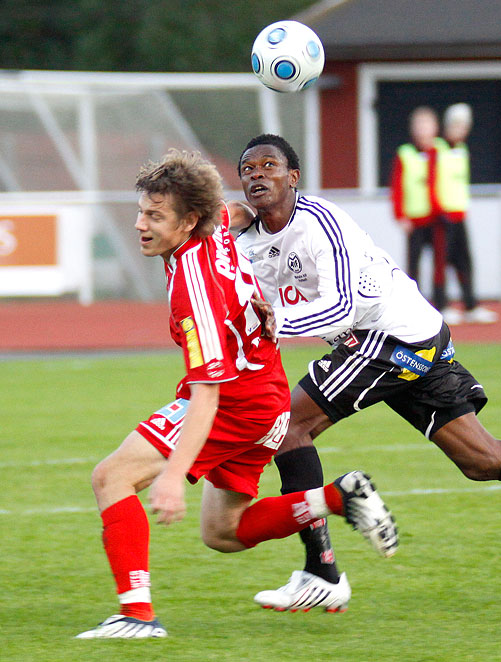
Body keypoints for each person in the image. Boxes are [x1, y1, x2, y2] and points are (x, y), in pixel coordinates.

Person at [230, 134, 501, 613]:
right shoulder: (252, 241)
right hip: (408, 341)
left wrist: (278, 324)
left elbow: (343, 307)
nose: (257, 174)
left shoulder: (318, 222)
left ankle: (322, 573)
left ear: (294, 177)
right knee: (481, 459)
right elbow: (258, 302)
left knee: (290, 426)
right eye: (248, 169)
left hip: (391, 337)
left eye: (269, 165)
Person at [76, 150, 398, 639]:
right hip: (268, 397)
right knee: (222, 533)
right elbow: (233, 209)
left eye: (154, 216)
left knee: (112, 477)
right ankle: (337, 497)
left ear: (187, 221)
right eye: (141, 211)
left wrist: (172, 476)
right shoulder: (216, 225)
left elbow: (207, 390)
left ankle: (136, 615)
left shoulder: (193, 284)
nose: (140, 224)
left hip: (235, 402)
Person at [434, 103, 498, 324]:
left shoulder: (461, 149)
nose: (462, 130)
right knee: (441, 262)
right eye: (459, 124)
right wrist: (438, 209)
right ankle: (440, 305)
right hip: (442, 215)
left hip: (460, 213)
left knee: (465, 261)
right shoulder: (437, 149)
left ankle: (470, 304)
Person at [389, 106, 443, 307]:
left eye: (427, 125)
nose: (423, 130)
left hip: (438, 217)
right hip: (415, 219)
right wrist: (400, 215)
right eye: (419, 125)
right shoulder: (405, 153)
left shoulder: (441, 151)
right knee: (414, 265)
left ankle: (441, 303)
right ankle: (415, 304)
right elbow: (397, 187)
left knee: (440, 263)